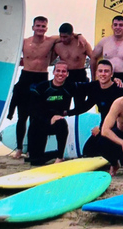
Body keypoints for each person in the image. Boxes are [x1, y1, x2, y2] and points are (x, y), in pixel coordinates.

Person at [7, 16, 83, 159]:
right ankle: (19, 148)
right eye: (38, 26)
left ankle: (31, 149)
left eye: (43, 26)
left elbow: (67, 35)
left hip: (41, 78)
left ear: (46, 28)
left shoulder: (51, 41)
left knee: (36, 115)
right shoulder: (24, 42)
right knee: (22, 115)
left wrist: (79, 36)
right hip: (25, 77)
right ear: (33, 27)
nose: (40, 29)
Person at [77, 60, 123, 157]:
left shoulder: (119, 89)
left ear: (112, 74)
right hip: (104, 127)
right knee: (88, 151)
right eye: (100, 71)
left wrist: (101, 130)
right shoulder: (95, 88)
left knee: (102, 145)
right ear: (96, 73)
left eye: (106, 71)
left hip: (118, 129)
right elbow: (85, 105)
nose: (103, 74)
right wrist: (65, 113)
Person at [27, 62, 72, 166]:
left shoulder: (70, 87)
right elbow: (33, 110)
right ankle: (53, 153)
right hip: (40, 123)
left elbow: (92, 87)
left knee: (62, 123)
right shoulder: (42, 87)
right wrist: (48, 119)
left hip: (57, 123)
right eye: (58, 71)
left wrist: (115, 79)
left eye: (63, 71)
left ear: (67, 74)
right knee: (35, 162)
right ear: (53, 72)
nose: (60, 74)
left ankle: (60, 156)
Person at [92, 15, 123, 86]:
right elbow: (93, 57)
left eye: (121, 25)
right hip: (106, 77)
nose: (118, 27)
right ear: (112, 26)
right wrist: (93, 78)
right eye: (115, 25)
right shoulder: (104, 42)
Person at [52, 22, 93, 108]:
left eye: (65, 37)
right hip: (65, 76)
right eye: (61, 37)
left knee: (80, 105)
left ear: (71, 35)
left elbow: (93, 59)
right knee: (63, 104)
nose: (63, 39)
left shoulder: (82, 44)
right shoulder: (58, 46)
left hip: (80, 74)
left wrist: (94, 78)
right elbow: (48, 60)